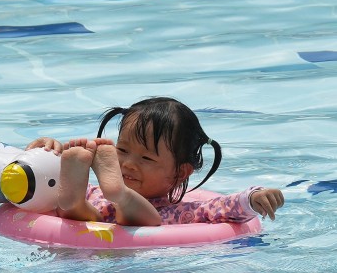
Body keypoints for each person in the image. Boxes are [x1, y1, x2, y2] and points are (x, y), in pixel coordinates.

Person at [26, 97, 285, 227]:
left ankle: (110, 197)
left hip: (112, 213)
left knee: (140, 217)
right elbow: (39, 188)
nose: (127, 163)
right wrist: (48, 153)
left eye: (147, 157)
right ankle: (83, 198)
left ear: (180, 172)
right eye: (122, 150)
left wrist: (252, 197)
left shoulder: (184, 211)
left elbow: (222, 207)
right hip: (96, 206)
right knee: (72, 203)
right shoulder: (94, 193)